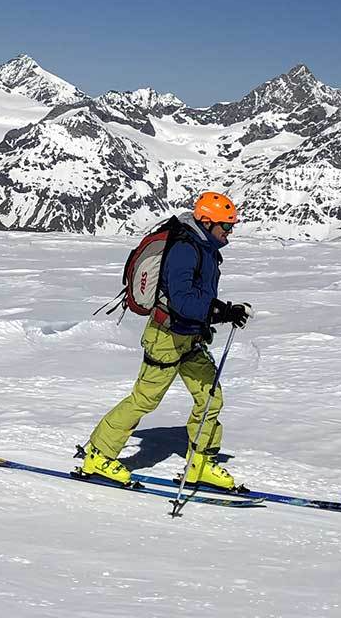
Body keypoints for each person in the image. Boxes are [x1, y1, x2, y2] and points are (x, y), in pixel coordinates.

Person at [80, 191, 252, 488]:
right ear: (207, 222)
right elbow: (181, 299)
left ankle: (201, 462)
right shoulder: (185, 249)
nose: (229, 232)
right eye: (226, 226)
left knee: (210, 397)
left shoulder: (206, 248)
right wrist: (218, 311)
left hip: (190, 336)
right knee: (145, 399)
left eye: (231, 226)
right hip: (165, 336)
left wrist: (220, 310)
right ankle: (98, 454)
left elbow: (198, 297)